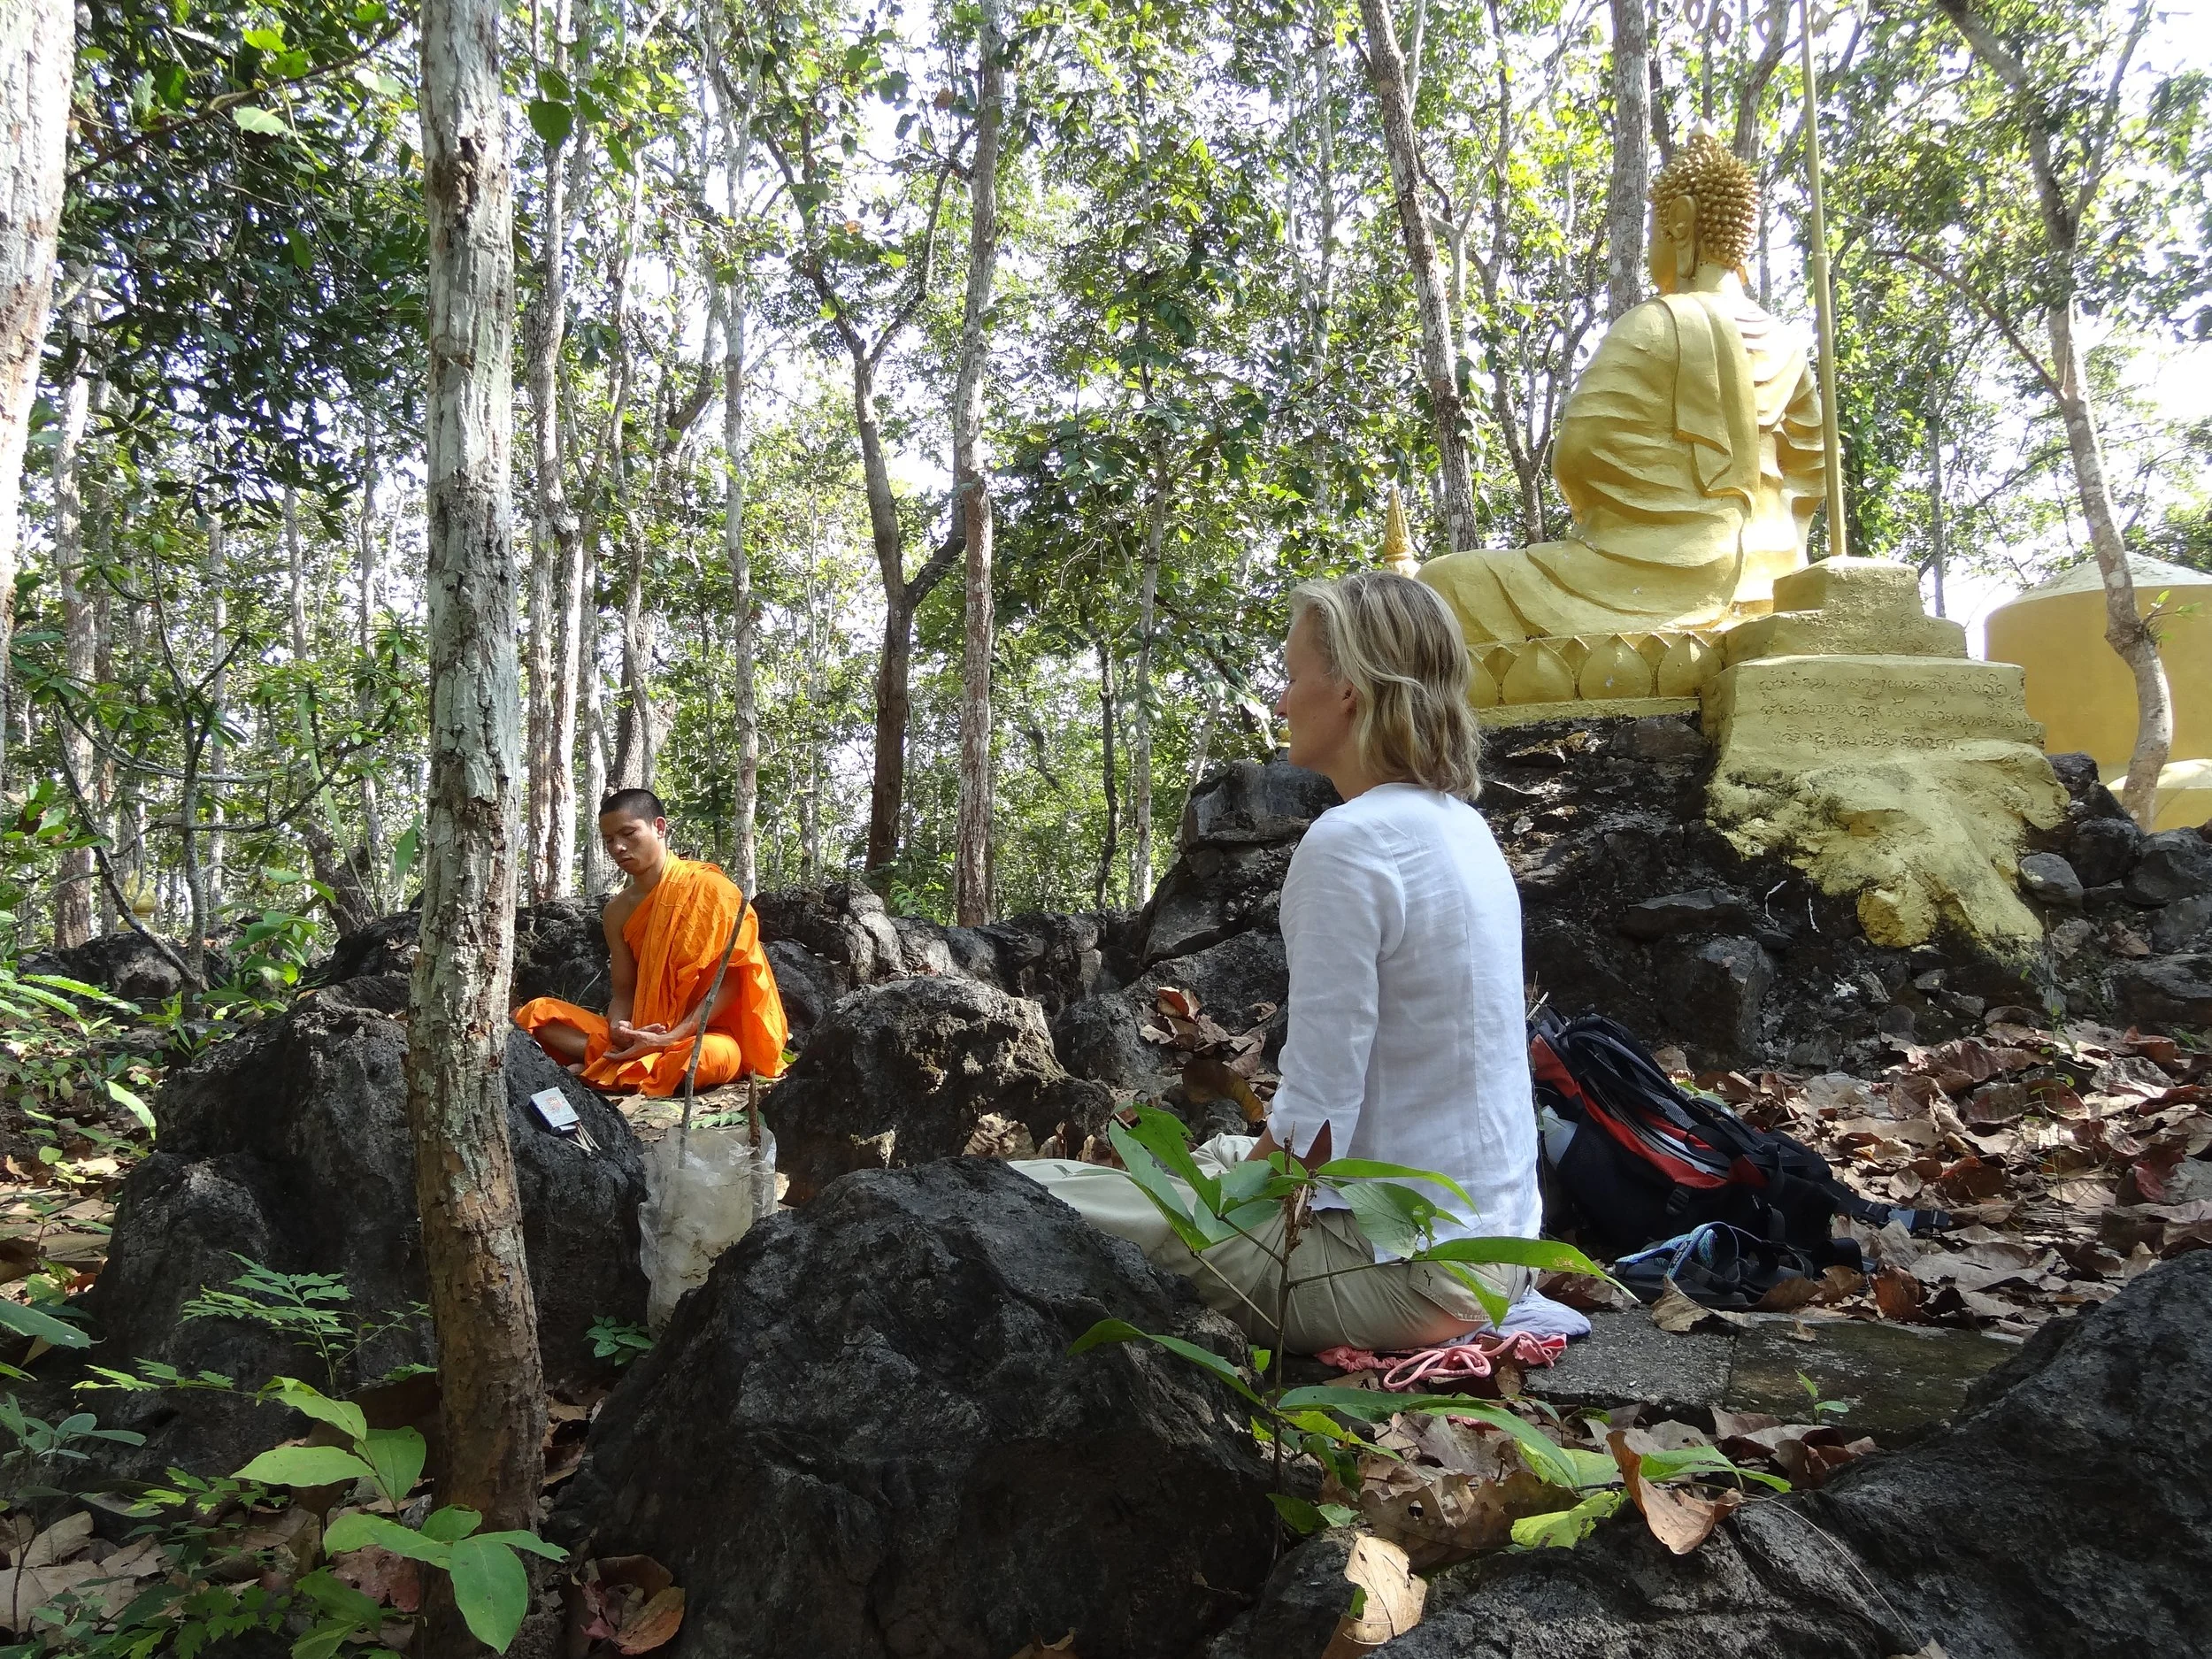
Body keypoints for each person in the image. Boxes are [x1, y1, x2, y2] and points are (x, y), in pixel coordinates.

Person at [1017, 572, 1544, 1354]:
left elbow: (1314, 1129)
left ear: (1351, 690)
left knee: (1029, 1197)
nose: (1279, 700)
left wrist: (1214, 1208)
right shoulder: (1462, 827)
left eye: (1293, 677)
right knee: (1197, 1158)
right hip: (1500, 1251)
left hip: (1402, 1271)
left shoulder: (1351, 845)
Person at [514, 789, 787, 1096]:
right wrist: (620, 1028)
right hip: (641, 1030)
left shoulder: (713, 890)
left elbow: (731, 982)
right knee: (536, 1013)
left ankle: (608, 1066)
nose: (618, 847)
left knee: (710, 1058)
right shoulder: (617, 911)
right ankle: (627, 1063)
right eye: (609, 840)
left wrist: (670, 1038)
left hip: (701, 1032)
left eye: (628, 834)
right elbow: (624, 992)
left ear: (659, 827)